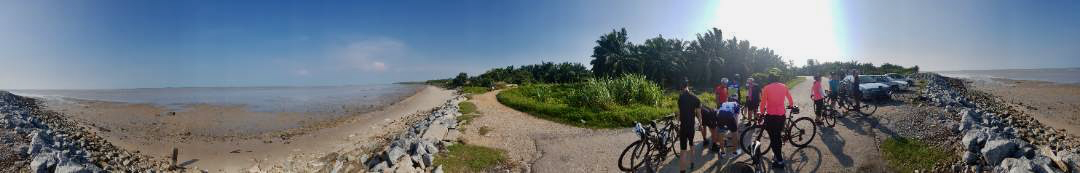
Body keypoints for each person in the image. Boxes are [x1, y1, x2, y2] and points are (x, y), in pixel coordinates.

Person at [758, 68, 795, 168]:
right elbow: (790, 98)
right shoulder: (784, 86)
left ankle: (779, 161)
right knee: (777, 135)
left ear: (770, 78)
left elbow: (763, 103)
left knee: (774, 138)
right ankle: (777, 154)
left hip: (771, 116)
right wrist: (791, 105)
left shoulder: (766, 88)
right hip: (781, 115)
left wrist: (761, 113)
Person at [677, 79, 702, 173]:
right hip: (691, 127)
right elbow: (699, 114)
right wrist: (701, 124)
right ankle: (692, 162)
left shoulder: (680, 98)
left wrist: (678, 123)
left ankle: (682, 171)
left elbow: (679, 113)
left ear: (682, 87)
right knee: (691, 145)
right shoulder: (696, 98)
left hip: (683, 127)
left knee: (683, 151)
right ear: (688, 86)